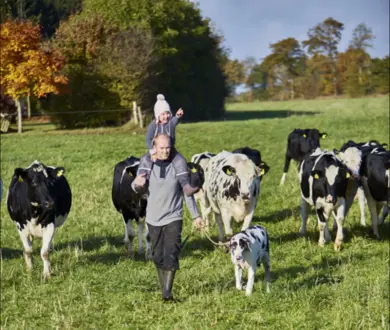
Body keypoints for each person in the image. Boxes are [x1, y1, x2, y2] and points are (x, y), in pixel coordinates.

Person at [132, 134, 203, 301]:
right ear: (155, 147)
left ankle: (167, 294)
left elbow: (187, 194)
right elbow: (135, 186)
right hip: (153, 218)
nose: (165, 151)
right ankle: (165, 289)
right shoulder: (147, 165)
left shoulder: (177, 165)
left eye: (168, 148)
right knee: (157, 256)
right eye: (162, 148)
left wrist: (196, 216)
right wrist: (137, 184)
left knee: (171, 253)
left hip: (173, 216)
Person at [141, 94, 198, 196]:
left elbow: (175, 120)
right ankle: (142, 184)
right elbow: (148, 138)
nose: (166, 116)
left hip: (170, 150)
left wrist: (178, 116)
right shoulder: (153, 125)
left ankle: (185, 186)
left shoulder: (170, 123)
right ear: (157, 115)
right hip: (156, 151)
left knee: (180, 161)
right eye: (163, 114)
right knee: (145, 160)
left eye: (167, 113)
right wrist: (152, 151)